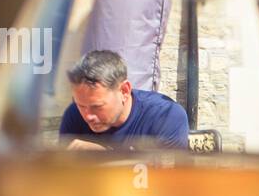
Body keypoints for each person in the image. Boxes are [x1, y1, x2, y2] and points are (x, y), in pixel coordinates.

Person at [59, 50, 189, 149]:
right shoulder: (74, 114)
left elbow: (170, 181)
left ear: (124, 91)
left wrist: (103, 156)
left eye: (97, 107)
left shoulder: (165, 116)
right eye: (81, 106)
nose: (88, 116)